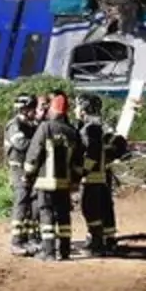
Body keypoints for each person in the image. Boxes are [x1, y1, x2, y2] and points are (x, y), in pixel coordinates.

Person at [23, 94, 83, 261]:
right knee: (64, 215)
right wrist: (76, 181)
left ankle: (48, 252)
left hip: (45, 182)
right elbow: (79, 162)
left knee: (46, 214)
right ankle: (64, 251)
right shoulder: (73, 132)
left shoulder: (45, 128)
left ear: (52, 110)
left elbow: (34, 154)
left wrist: (27, 175)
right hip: (65, 183)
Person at [74, 93, 119, 256]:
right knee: (105, 207)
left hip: (91, 177)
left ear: (84, 108)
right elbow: (117, 146)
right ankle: (109, 239)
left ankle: (96, 243)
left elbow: (91, 153)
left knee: (90, 209)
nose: (75, 109)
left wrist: (81, 171)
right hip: (103, 174)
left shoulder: (88, 128)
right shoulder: (103, 126)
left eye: (77, 106)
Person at [5, 94, 40, 256]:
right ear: (24, 110)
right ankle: (16, 242)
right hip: (18, 169)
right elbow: (21, 144)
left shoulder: (31, 125)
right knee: (21, 203)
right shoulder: (14, 125)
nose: (35, 112)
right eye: (33, 109)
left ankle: (29, 238)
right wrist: (40, 145)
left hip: (29, 169)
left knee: (31, 204)